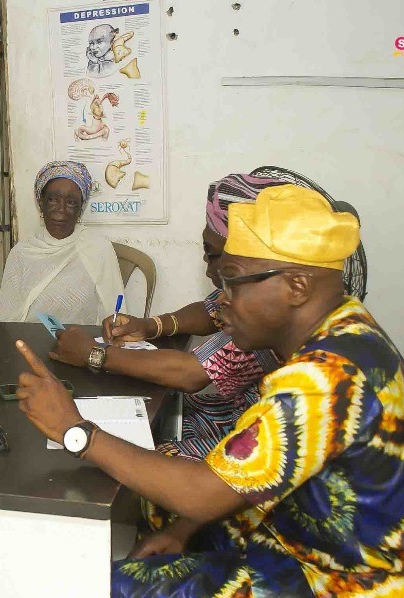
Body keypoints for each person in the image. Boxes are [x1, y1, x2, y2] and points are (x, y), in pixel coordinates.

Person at [13, 186, 404, 598]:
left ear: (297, 286)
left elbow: (203, 493)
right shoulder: (345, 326)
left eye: (233, 282)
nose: (221, 301)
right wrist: (183, 528)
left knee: (101, 594)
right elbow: (236, 477)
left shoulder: (324, 377)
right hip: (323, 541)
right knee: (159, 489)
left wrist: (75, 431)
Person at [48, 171, 293, 461]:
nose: (205, 261)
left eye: (212, 252)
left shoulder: (269, 311)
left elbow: (191, 373)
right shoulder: (253, 291)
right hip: (239, 409)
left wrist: (94, 354)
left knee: (136, 459)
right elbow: (210, 310)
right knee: (159, 417)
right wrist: (150, 326)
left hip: (260, 438)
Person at [0, 161, 123, 326]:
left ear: (81, 208)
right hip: (29, 339)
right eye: (52, 200)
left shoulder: (99, 249)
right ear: (41, 204)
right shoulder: (22, 253)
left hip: (84, 340)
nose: (61, 209)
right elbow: (7, 320)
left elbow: (114, 317)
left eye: (71, 202)